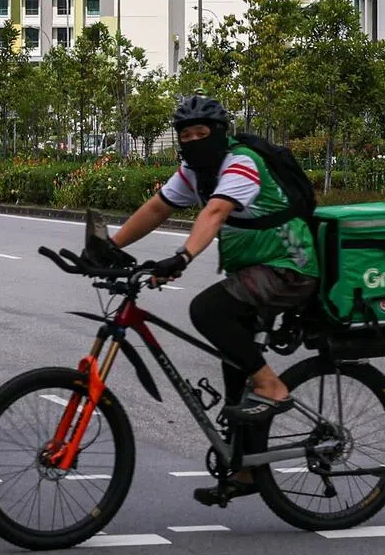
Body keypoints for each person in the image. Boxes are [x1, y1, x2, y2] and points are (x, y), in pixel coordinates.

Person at [97, 94, 318, 505]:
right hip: (255, 271)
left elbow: (215, 213)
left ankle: (273, 387)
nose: (195, 141)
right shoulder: (194, 172)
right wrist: (111, 246)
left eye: (204, 133)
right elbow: (157, 208)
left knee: (207, 310)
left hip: (290, 266)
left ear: (221, 134)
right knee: (235, 366)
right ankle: (248, 468)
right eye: (187, 135)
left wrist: (182, 256)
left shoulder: (240, 163)